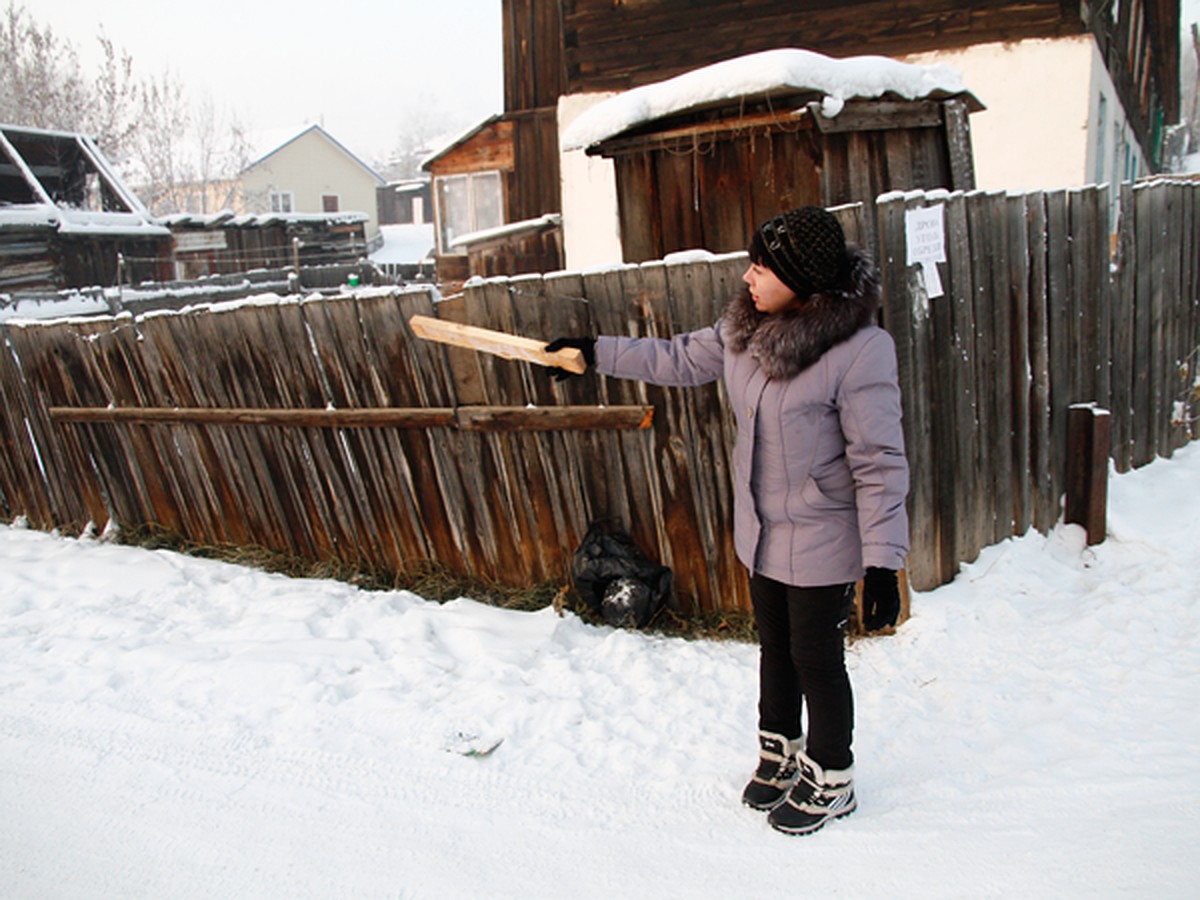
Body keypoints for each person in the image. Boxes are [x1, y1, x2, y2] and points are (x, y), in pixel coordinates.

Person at [545, 206, 909, 836]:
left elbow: (879, 461)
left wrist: (883, 564)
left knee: (816, 658)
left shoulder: (860, 350)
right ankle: (780, 750)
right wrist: (593, 353)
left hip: (823, 532)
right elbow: (677, 358)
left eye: (763, 267)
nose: (748, 277)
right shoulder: (746, 329)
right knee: (775, 648)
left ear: (803, 278)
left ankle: (833, 775)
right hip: (762, 530)